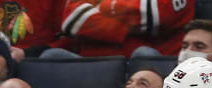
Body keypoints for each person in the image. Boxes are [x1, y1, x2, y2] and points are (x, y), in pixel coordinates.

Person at [58, 0, 194, 58]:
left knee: (143, 54)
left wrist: (99, 6)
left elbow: (152, 13)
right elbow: (73, 18)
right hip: (93, 60)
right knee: (53, 56)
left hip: (145, 68)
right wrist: (124, 29)